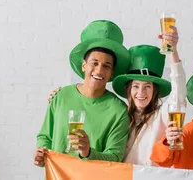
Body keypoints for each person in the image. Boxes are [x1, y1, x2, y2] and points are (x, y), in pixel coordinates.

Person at [47, 26, 186, 166]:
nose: (141, 93)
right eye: (136, 86)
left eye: (147, 87)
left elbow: (178, 94)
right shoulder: (121, 113)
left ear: (155, 91)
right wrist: (59, 98)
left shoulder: (160, 116)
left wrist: (173, 51)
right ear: (129, 89)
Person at [33, 20, 131, 167]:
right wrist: (41, 154)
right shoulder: (60, 96)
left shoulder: (119, 111)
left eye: (106, 66)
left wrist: (88, 153)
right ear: (84, 65)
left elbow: (115, 157)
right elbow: (45, 136)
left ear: (112, 74)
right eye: (94, 63)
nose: (99, 71)